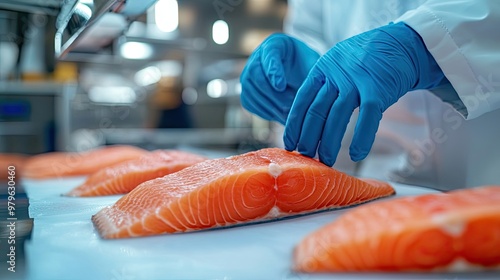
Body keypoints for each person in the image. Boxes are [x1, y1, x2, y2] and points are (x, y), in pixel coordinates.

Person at [240, 0, 500, 190]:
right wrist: (310, 77)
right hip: (380, 185)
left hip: (486, 173)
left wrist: (430, 45)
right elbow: (313, 29)